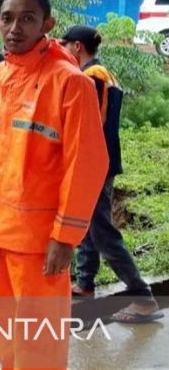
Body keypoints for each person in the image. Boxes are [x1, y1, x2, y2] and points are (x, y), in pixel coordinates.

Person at [0, 0, 108, 369]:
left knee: (38, 343)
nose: (15, 28)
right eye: (7, 18)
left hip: (39, 243)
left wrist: (65, 237)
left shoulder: (70, 82)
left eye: (28, 18)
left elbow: (87, 164)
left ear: (47, 23)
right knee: (3, 333)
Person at [60, 25, 163, 323]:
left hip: (94, 164)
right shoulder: (105, 75)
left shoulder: (91, 77)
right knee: (90, 224)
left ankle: (142, 297)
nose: (63, 52)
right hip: (102, 162)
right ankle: (85, 282)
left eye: (65, 46)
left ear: (77, 47)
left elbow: (87, 123)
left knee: (102, 231)